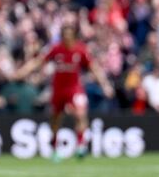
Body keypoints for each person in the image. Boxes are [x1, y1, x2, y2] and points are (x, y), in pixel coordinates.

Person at [14, 22, 113, 161]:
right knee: (55, 119)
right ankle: (54, 149)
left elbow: (94, 67)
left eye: (69, 35)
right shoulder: (55, 49)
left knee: (80, 114)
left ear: (73, 36)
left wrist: (105, 84)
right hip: (58, 89)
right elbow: (38, 61)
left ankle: (81, 146)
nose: (66, 38)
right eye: (64, 35)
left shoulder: (81, 50)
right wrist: (22, 72)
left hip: (74, 88)